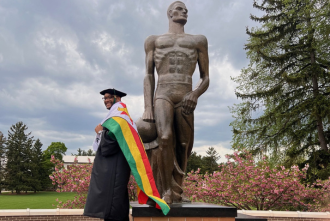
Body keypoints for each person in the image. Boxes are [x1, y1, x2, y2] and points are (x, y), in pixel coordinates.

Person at [141, 1, 209, 204]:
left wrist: (195, 94)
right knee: (164, 137)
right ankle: (166, 191)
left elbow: (206, 77)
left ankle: (177, 191)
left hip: (186, 96)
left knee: (184, 146)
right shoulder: (154, 41)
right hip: (163, 94)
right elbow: (148, 75)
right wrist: (148, 106)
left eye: (186, 9)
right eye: (179, 8)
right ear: (169, 13)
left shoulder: (199, 41)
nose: (184, 11)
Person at [84, 88, 130, 221]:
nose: (106, 100)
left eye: (109, 97)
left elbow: (111, 143)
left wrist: (100, 133)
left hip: (115, 167)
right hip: (117, 166)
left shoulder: (119, 116)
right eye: (104, 98)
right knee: (116, 202)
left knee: (113, 204)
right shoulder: (118, 114)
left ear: (118, 98)